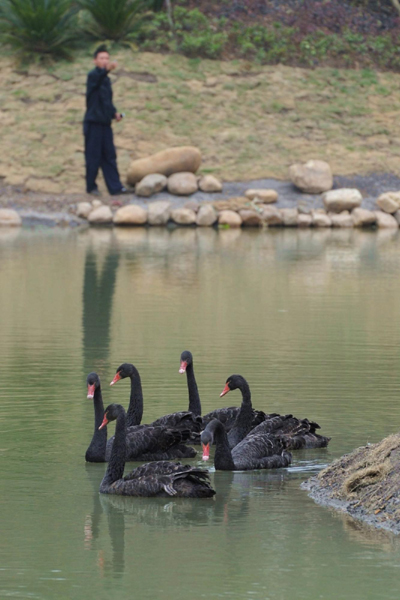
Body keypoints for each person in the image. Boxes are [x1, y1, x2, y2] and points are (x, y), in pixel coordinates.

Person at [83, 45, 127, 196]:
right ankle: (91, 187)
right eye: (102, 58)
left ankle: (115, 187)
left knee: (109, 155)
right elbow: (99, 77)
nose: (105, 61)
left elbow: (107, 101)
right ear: (95, 61)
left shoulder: (106, 80)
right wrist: (107, 70)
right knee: (93, 157)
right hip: (93, 123)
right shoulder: (93, 76)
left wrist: (115, 113)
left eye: (107, 58)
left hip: (105, 124)